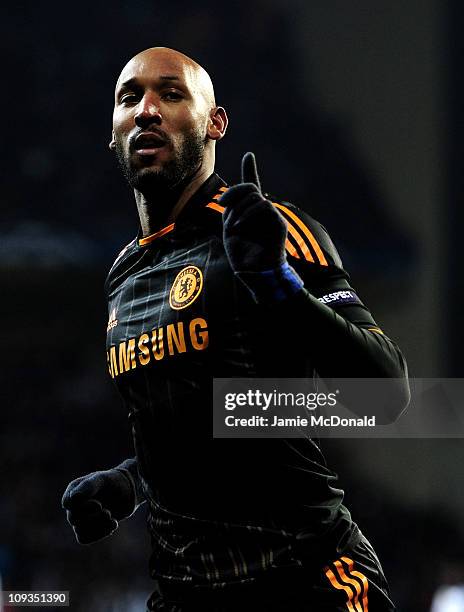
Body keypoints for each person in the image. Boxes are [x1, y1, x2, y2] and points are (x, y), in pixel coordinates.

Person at [62, 46, 410, 611]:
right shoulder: (122, 277)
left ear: (214, 123)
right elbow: (194, 427)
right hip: (181, 594)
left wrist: (278, 287)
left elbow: (388, 394)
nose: (147, 109)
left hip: (303, 580)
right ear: (113, 132)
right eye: (131, 97)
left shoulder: (269, 230)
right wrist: (130, 482)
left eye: (171, 94)